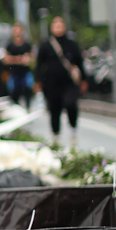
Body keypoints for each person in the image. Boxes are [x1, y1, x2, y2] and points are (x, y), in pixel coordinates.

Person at [36, 15, 84, 144]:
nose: (58, 27)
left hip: (69, 83)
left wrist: (84, 80)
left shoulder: (72, 45)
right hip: (51, 84)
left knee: (71, 104)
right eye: (55, 24)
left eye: (60, 24)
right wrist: (38, 81)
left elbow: (79, 62)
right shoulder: (46, 45)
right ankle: (56, 136)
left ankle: (73, 130)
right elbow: (39, 64)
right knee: (54, 109)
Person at [1, 24, 35, 105]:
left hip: (25, 72)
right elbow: (5, 60)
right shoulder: (10, 46)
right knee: (13, 91)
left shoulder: (27, 45)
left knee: (28, 89)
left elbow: (32, 59)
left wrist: (27, 59)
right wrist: (19, 59)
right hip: (14, 73)